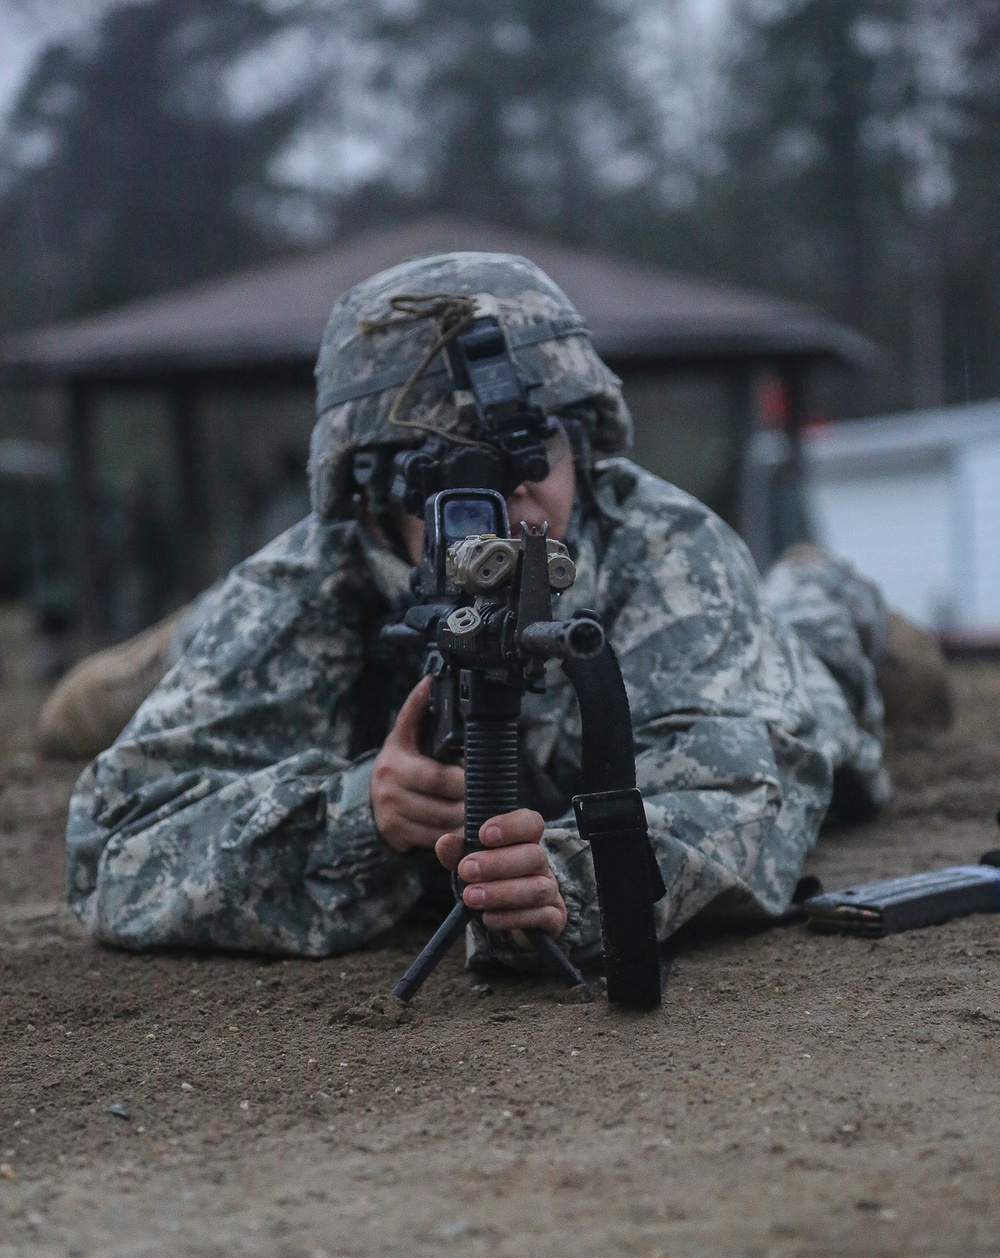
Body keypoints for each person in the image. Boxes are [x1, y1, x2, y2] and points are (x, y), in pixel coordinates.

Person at [66, 250, 894, 964]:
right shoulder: (305, 584)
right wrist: (359, 816)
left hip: (789, 662)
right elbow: (109, 852)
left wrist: (572, 880)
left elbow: (750, 786)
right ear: (372, 492)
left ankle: (818, 583)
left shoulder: (669, 548)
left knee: (821, 641)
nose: (521, 485)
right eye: (468, 468)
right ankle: (181, 644)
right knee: (109, 701)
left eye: (542, 444)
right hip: (311, 615)